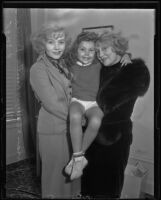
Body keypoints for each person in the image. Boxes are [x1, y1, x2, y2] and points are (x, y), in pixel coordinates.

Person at [81, 31, 150, 199]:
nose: (100, 54)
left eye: (105, 49)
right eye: (98, 51)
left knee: (108, 187)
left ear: (118, 49)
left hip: (113, 140)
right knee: (89, 184)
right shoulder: (100, 69)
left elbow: (105, 103)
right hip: (91, 138)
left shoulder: (134, 71)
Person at [64, 31, 132, 181]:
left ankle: (79, 157)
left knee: (96, 121)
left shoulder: (99, 64)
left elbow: (117, 55)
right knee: (74, 116)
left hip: (93, 103)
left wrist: (127, 55)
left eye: (92, 50)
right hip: (77, 101)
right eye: (82, 49)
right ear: (76, 50)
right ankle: (78, 156)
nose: (87, 54)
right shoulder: (70, 66)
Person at [29, 24, 80, 199]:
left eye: (61, 41)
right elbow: (52, 103)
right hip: (53, 130)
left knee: (70, 173)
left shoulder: (62, 65)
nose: (57, 46)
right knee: (55, 177)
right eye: (51, 42)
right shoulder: (38, 69)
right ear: (43, 45)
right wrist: (79, 120)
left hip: (70, 129)